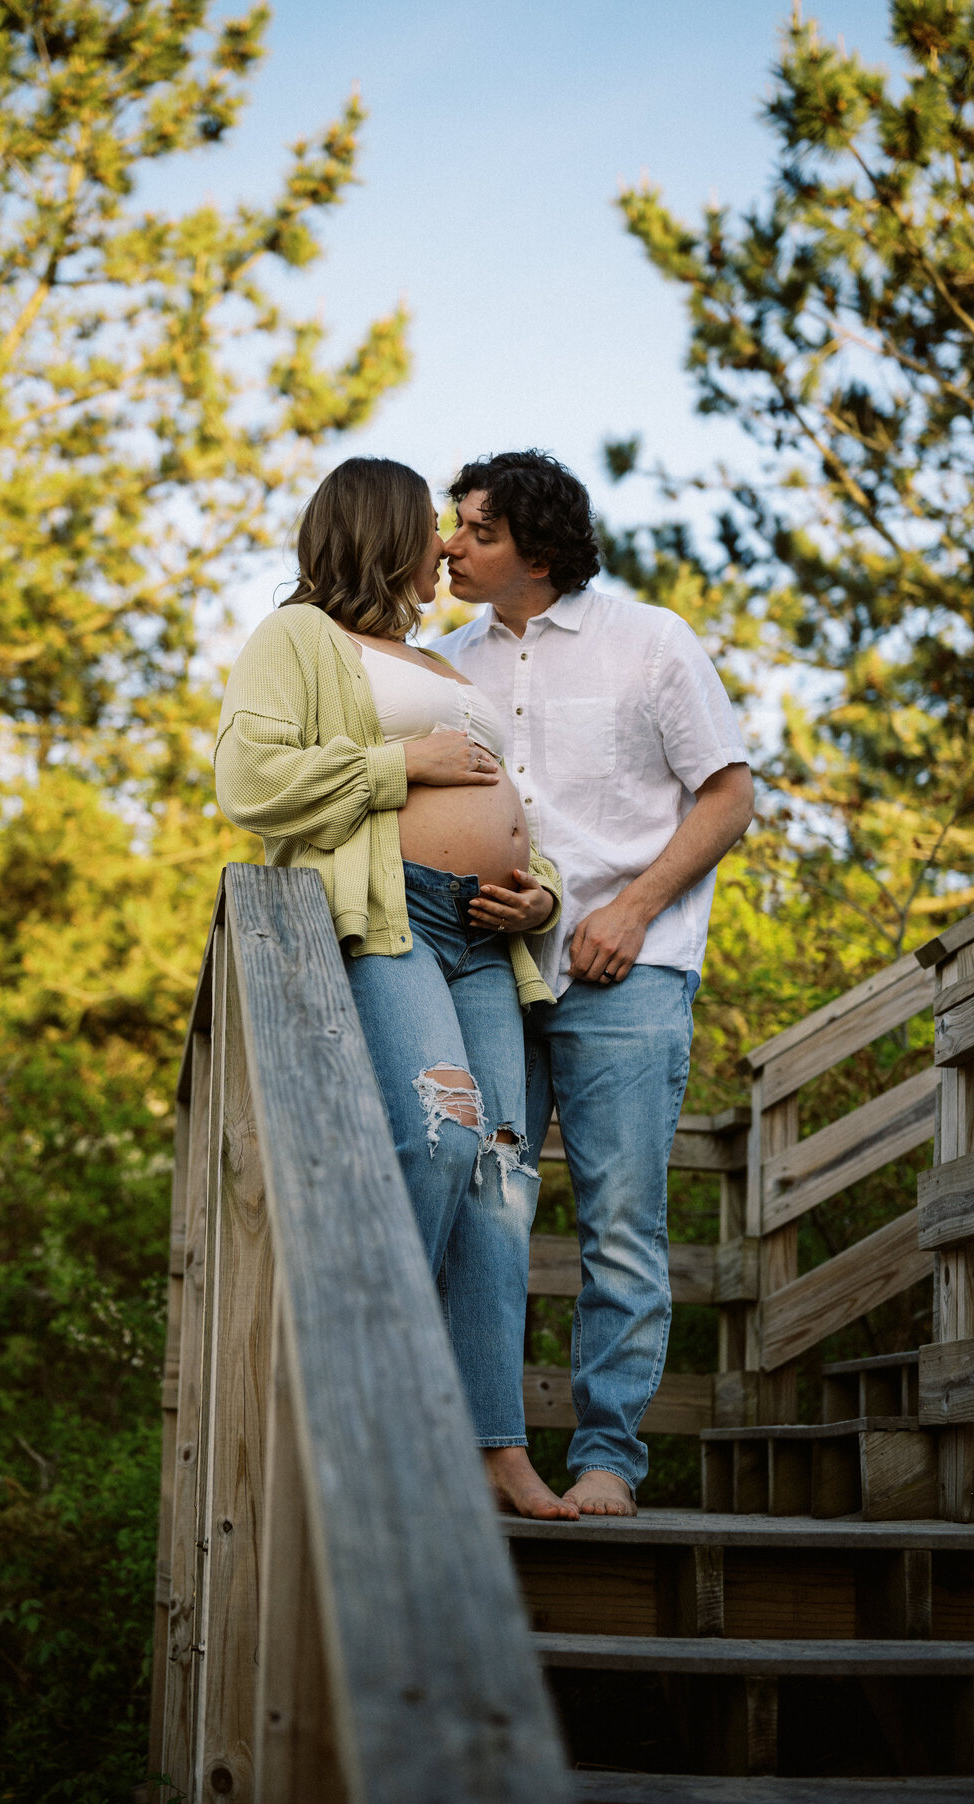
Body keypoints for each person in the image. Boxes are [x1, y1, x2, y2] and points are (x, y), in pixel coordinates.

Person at [214, 456, 578, 1519]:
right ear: (381, 533)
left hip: (487, 941)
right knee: (442, 1134)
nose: (448, 546)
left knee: (505, 1179)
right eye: (433, 527)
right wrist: (399, 764)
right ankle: (374, 1402)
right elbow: (249, 781)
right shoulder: (300, 639)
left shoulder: (440, 662)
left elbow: (519, 811)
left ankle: (495, 1451)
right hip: (390, 919)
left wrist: (541, 897)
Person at [439, 450, 753, 1519]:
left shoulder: (649, 642)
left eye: (476, 530)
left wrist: (631, 907)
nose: (451, 545)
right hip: (488, 972)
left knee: (621, 1219)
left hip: (629, 973)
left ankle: (609, 1458)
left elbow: (728, 792)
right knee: (487, 1204)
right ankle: (490, 1453)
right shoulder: (444, 666)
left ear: (538, 545)